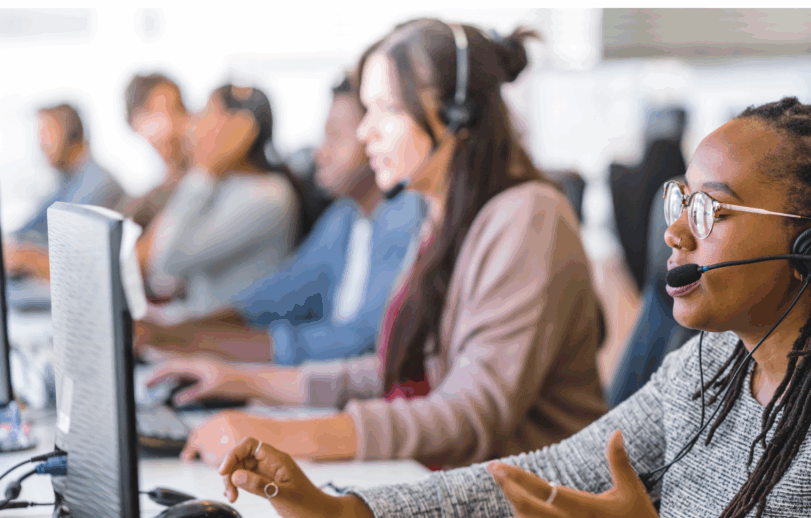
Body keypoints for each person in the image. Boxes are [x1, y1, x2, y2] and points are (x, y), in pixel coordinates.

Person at [213, 98, 811, 518]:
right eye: (680, 201)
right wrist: (351, 509)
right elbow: (555, 473)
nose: (674, 233)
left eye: (710, 211)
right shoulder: (713, 364)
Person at [147, 20, 608, 472]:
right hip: (457, 490)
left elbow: (470, 414)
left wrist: (284, 435)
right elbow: (400, 373)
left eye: (387, 108)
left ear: (457, 116)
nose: (366, 131)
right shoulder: (444, 218)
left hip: (526, 510)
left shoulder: (527, 217)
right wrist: (245, 381)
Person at [134, 72, 427, 366]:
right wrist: (174, 333)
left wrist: (181, 339)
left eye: (334, 136)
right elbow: (280, 294)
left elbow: (361, 341)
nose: (320, 152)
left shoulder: (405, 215)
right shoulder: (345, 217)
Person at [142, 84, 301, 320]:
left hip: (227, 335)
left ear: (240, 128)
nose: (191, 126)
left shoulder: (268, 197)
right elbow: (163, 276)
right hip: (198, 325)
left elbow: (164, 259)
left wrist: (204, 170)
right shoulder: (225, 184)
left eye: (206, 115)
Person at [4, 103, 126, 279]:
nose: (41, 145)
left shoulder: (99, 185)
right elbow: (29, 228)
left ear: (70, 135)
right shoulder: (66, 181)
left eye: (46, 135)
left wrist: (28, 258)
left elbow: (78, 265)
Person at [120, 72, 191, 230]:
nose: (172, 123)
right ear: (136, 124)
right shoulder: (144, 200)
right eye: (158, 114)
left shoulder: (204, 177)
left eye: (179, 109)